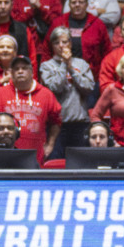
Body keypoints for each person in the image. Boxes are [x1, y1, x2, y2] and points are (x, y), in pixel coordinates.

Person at [0, 54, 62, 165]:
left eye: (24, 68)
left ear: (32, 72)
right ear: (11, 73)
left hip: (35, 155)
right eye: (16, 69)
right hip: (2, 156)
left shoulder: (46, 95)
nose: (20, 71)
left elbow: (56, 121)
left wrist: (50, 145)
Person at [40, 27, 96, 158]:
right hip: (57, 125)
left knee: (80, 165)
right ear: (52, 46)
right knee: (56, 164)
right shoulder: (46, 66)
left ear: (70, 43)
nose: (61, 46)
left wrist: (71, 69)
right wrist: (64, 64)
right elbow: (55, 88)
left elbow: (89, 88)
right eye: (56, 43)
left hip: (80, 124)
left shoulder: (82, 64)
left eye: (64, 42)